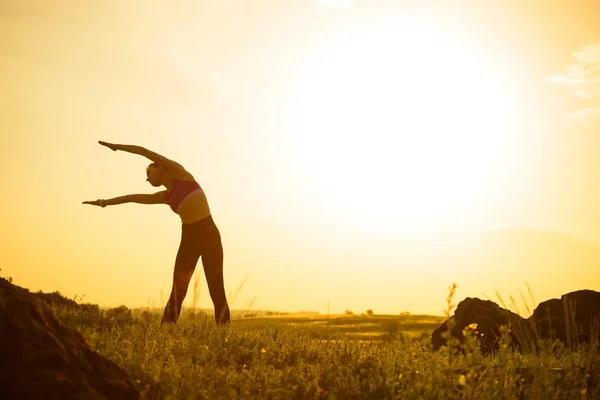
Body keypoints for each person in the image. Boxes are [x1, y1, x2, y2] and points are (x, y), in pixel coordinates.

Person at [83, 141, 230, 325]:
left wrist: (116, 147)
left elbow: (144, 151)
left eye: (148, 173)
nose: (147, 179)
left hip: (209, 234)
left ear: (159, 167)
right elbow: (131, 198)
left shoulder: (179, 173)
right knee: (178, 290)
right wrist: (103, 202)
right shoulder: (165, 197)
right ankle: (165, 332)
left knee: (216, 288)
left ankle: (224, 333)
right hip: (189, 238)